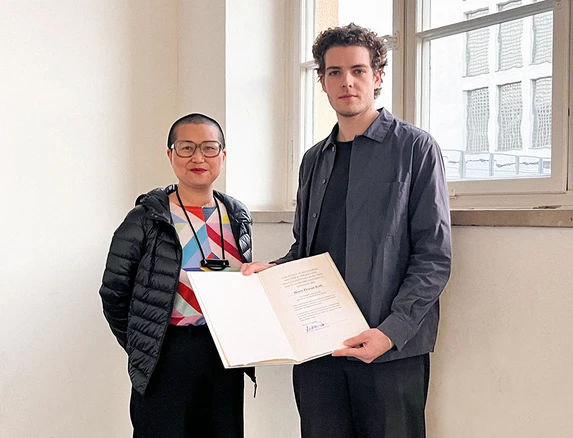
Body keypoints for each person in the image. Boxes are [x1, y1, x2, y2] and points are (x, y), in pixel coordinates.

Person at [241, 23, 452, 438]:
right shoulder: (313, 160)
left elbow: (434, 256)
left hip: (389, 351)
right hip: (318, 349)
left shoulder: (415, 149)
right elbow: (307, 249)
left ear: (377, 77)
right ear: (321, 80)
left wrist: (391, 332)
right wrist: (276, 271)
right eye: (334, 72)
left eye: (358, 70)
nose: (347, 82)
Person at [99, 113, 255, 438]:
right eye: (186, 147)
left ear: (223, 155)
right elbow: (114, 292)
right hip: (165, 353)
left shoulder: (237, 215)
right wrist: (144, 343)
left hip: (224, 353)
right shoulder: (146, 218)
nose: (198, 158)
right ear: (170, 155)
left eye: (209, 148)